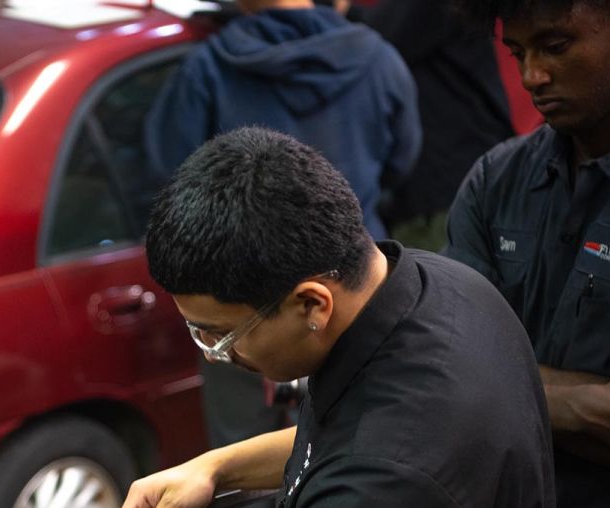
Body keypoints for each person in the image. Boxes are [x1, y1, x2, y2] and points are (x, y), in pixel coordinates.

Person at [122, 127, 554, 508]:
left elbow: (369, 457)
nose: (218, 356)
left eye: (221, 334)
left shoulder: (385, 481)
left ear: (312, 305)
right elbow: (331, 445)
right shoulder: (438, 281)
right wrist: (214, 467)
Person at [142, 0, 421, 451]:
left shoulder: (208, 68)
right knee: (357, 439)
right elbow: (402, 160)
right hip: (349, 290)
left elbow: (166, 181)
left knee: (241, 453)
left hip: (235, 299)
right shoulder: (378, 59)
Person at [444, 0, 610, 505]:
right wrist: (587, 406)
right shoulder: (493, 181)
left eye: (555, 46)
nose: (531, 76)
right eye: (517, 52)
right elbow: (442, 371)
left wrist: (489, 384)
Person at [353, 0, 523, 252]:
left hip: (452, 187)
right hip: (432, 190)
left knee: (450, 286)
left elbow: (373, 39)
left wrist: (337, 9)